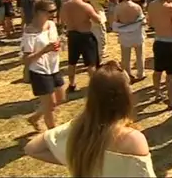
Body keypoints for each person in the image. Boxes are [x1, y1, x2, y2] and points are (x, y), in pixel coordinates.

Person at [24, 61, 155, 177]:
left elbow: (32, 148)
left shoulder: (78, 130)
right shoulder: (133, 139)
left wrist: (71, 159)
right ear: (125, 97)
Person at [21, 0, 65, 131]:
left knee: (60, 98)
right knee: (50, 107)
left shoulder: (51, 24)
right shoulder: (30, 31)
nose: (54, 13)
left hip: (54, 67)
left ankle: (35, 117)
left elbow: (54, 41)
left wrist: (60, 44)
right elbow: (26, 59)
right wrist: (44, 50)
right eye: (50, 11)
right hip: (40, 70)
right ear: (39, 12)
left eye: (55, 10)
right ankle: (53, 135)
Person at [60, 0, 102, 93]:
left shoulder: (65, 5)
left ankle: (72, 84)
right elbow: (98, 20)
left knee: (72, 62)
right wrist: (98, 13)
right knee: (91, 63)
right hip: (85, 35)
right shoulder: (85, 6)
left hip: (72, 34)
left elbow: (62, 21)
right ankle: (94, 86)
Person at [113, 0, 146, 82]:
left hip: (124, 35)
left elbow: (115, 21)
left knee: (125, 57)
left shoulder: (118, 7)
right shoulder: (137, 7)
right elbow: (143, 21)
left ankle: (128, 74)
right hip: (137, 34)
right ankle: (140, 73)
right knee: (140, 55)